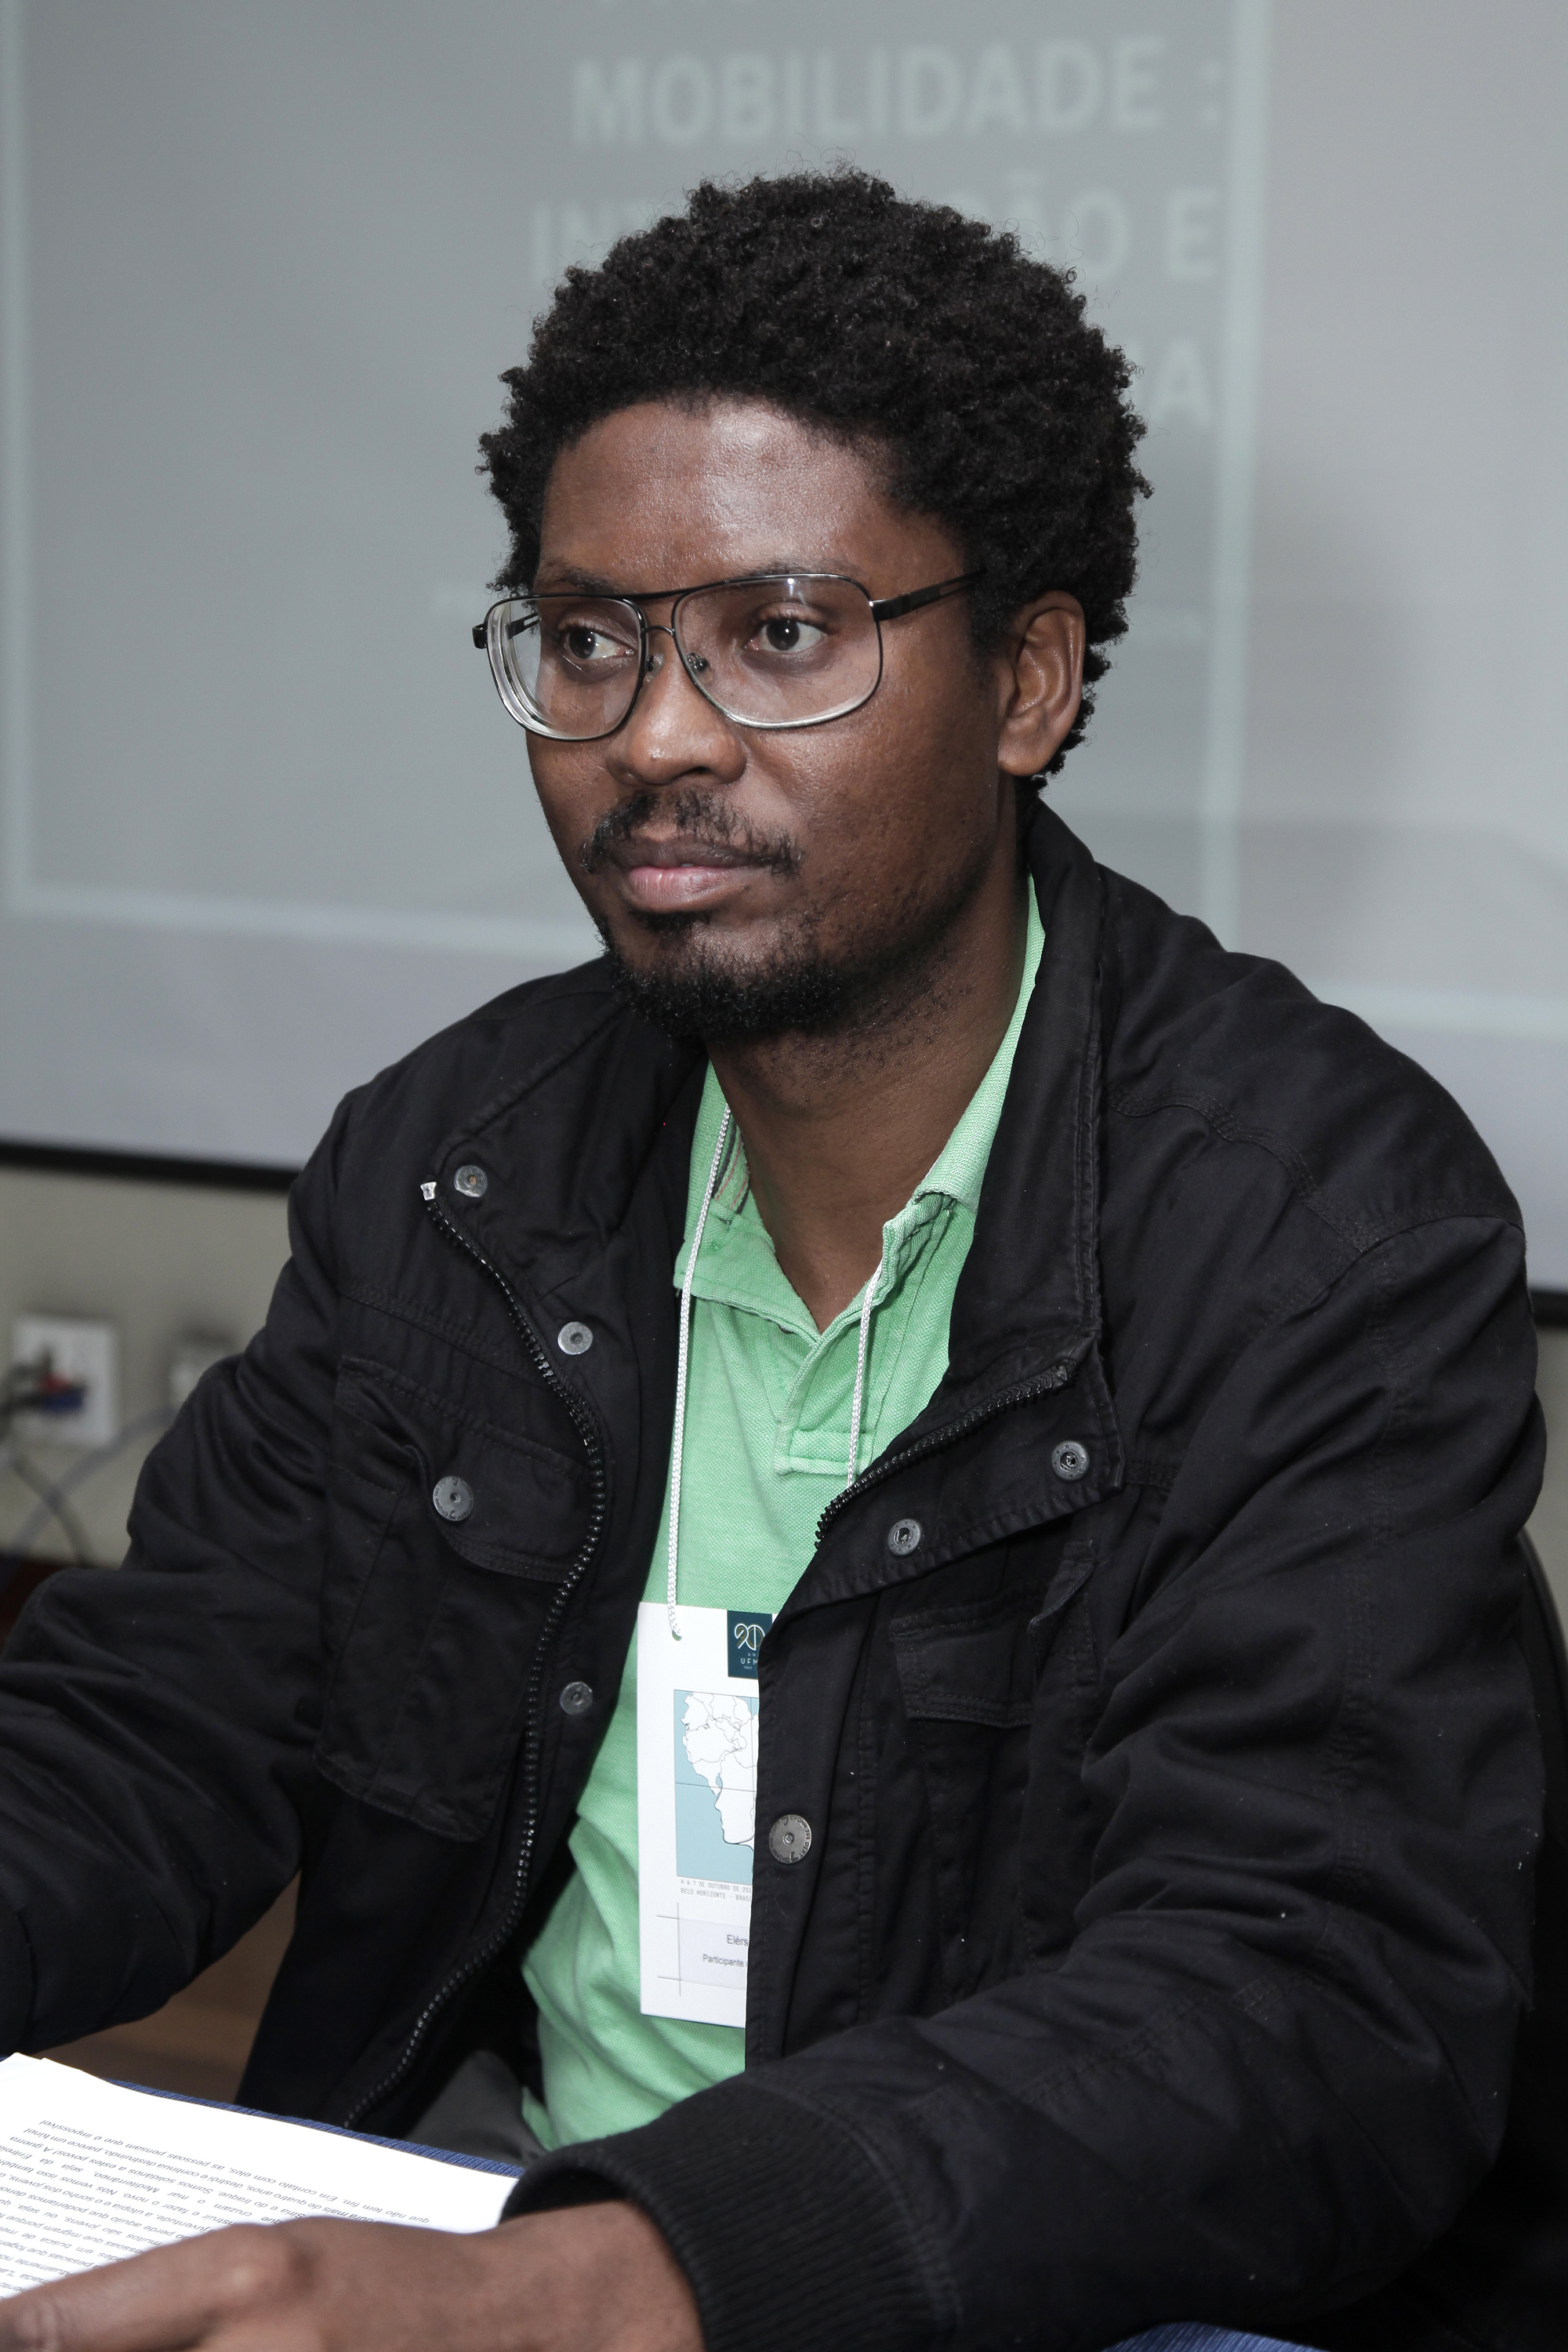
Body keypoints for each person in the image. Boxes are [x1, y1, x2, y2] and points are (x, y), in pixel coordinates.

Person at [0, 169, 1555, 2352]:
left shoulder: (1316, 1221)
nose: (654, 735)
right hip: (502, 2225)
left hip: (1045, 2296)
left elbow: (1298, 1986)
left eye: (783, 634)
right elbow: (171, 1718)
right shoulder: (453, 1162)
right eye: (587, 640)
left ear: (1028, 677)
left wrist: (637, 2280)